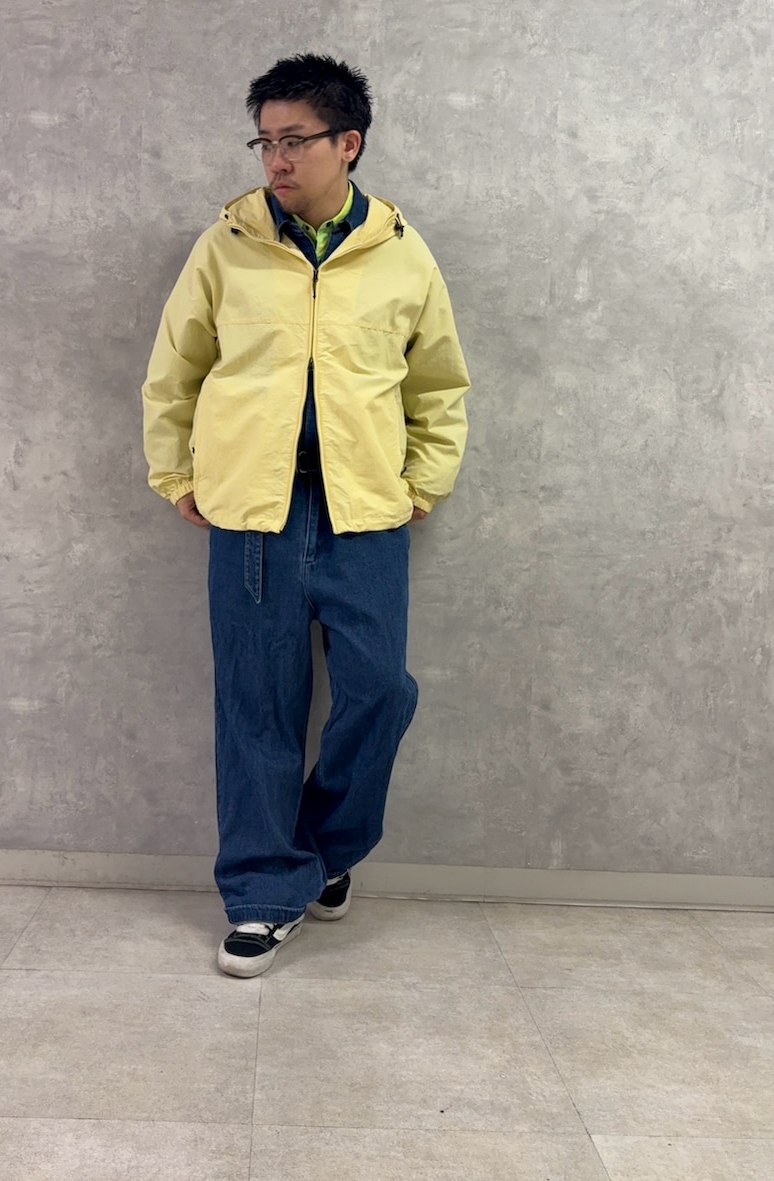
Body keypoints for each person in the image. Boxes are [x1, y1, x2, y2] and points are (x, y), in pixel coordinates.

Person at [142, 53, 470, 977]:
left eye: (295, 140)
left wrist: (424, 482)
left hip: (365, 510)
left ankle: (324, 849)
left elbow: (439, 383)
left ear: (347, 143)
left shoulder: (401, 251)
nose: (275, 159)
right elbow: (175, 370)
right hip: (254, 510)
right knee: (257, 706)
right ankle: (260, 891)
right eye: (264, 141)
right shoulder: (227, 246)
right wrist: (176, 474)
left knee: (381, 691)